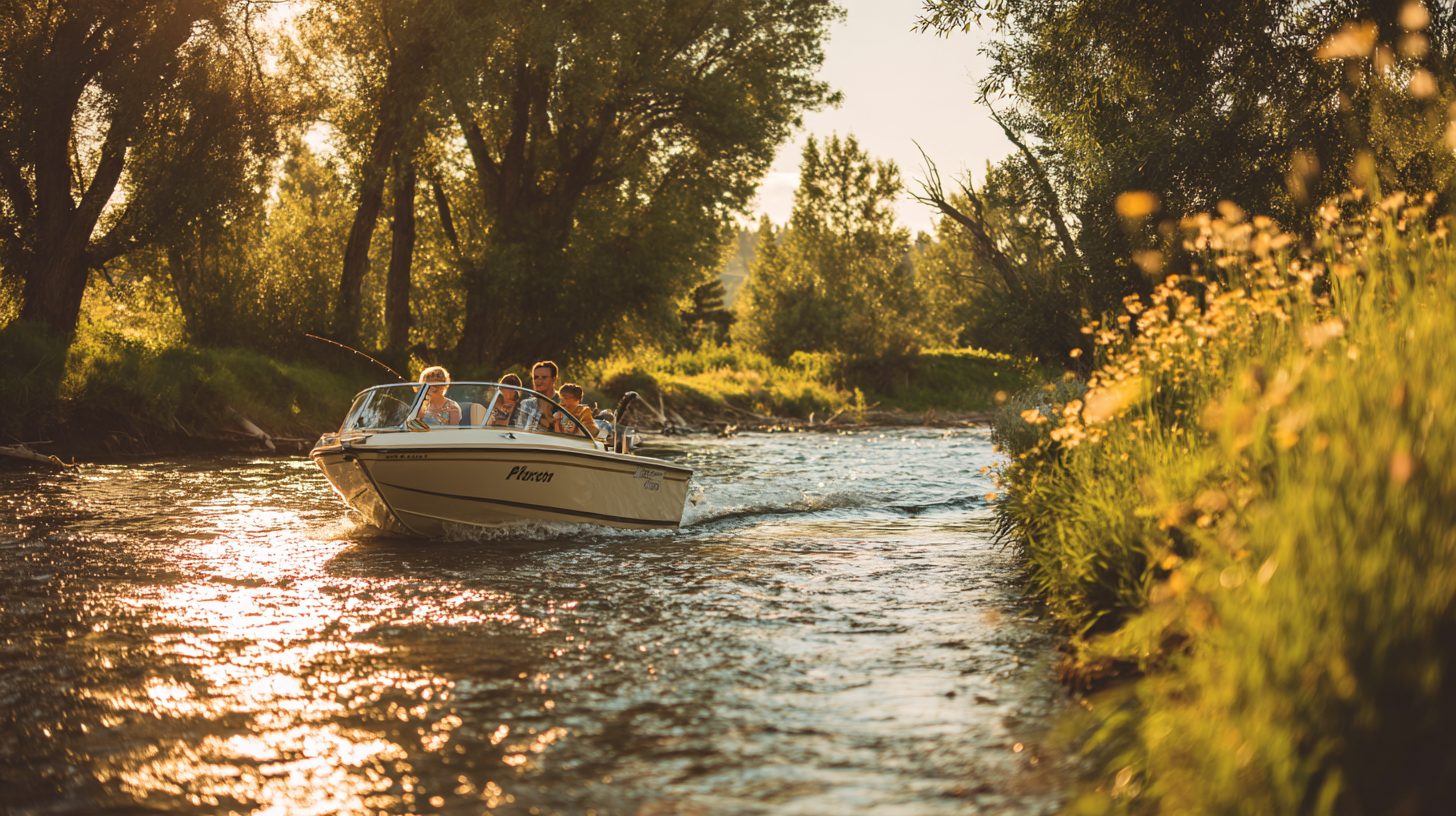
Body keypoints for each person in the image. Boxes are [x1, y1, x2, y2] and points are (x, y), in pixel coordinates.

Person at [516, 360, 561, 431]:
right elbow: (519, 430)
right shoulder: (526, 404)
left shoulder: (563, 403)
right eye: (536, 377)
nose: (539, 381)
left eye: (544, 377)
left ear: (554, 379)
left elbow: (568, 432)